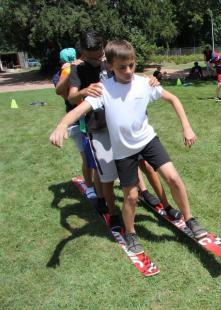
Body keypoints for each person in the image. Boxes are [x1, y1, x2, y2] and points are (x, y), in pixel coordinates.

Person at [50, 40, 208, 254]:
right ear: (111, 66)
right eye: (122, 67)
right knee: (131, 196)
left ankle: (190, 219)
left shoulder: (144, 83)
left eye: (132, 65)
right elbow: (80, 109)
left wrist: (187, 128)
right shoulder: (103, 89)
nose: (128, 71)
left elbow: (173, 99)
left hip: (148, 140)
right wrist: (61, 125)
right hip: (123, 150)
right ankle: (131, 233)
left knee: (172, 177)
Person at [52, 47, 96, 199]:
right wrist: (71, 70)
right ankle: (90, 187)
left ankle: (101, 180)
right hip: (77, 122)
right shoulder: (61, 74)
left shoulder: (84, 68)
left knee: (98, 154)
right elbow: (61, 92)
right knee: (86, 156)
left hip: (93, 118)